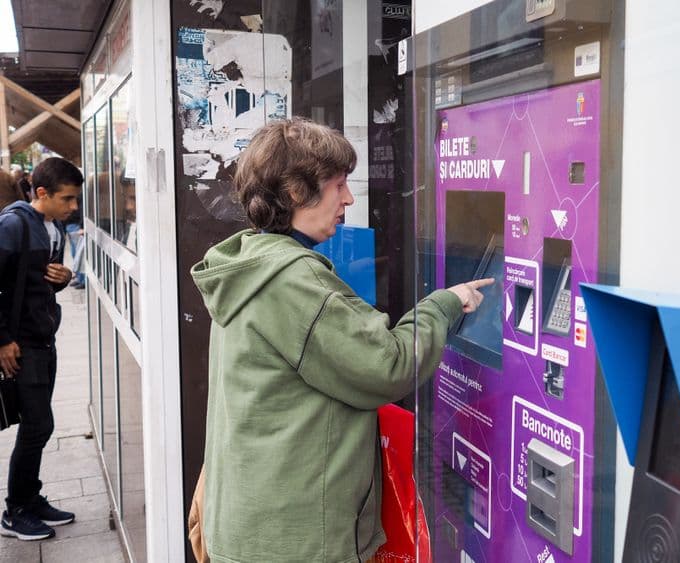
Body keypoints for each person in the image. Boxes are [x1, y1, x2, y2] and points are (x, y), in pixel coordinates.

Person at [191, 118, 493, 562]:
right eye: (337, 186)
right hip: (295, 543)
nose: (348, 199)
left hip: (250, 525)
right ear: (296, 192)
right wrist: (444, 304)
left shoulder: (248, 265)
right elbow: (387, 365)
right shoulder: (293, 279)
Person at [0, 157, 81, 541]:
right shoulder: (13, 225)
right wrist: (2, 340)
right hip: (23, 343)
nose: (73, 207)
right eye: (67, 199)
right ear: (42, 193)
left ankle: (29, 500)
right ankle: (16, 511)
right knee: (38, 424)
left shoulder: (54, 228)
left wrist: (64, 279)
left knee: (37, 426)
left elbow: (43, 283)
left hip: (43, 339)